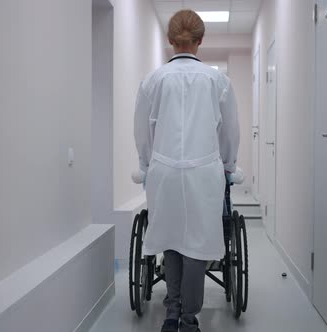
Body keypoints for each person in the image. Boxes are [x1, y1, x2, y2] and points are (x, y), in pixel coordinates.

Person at [134, 9, 240, 332]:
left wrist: (146, 165)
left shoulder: (153, 81)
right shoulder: (217, 81)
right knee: (197, 244)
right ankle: (189, 318)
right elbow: (229, 132)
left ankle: (171, 312)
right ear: (201, 40)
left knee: (170, 236)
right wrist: (229, 166)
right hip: (204, 173)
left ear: (169, 40)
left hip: (164, 171)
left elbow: (143, 131)